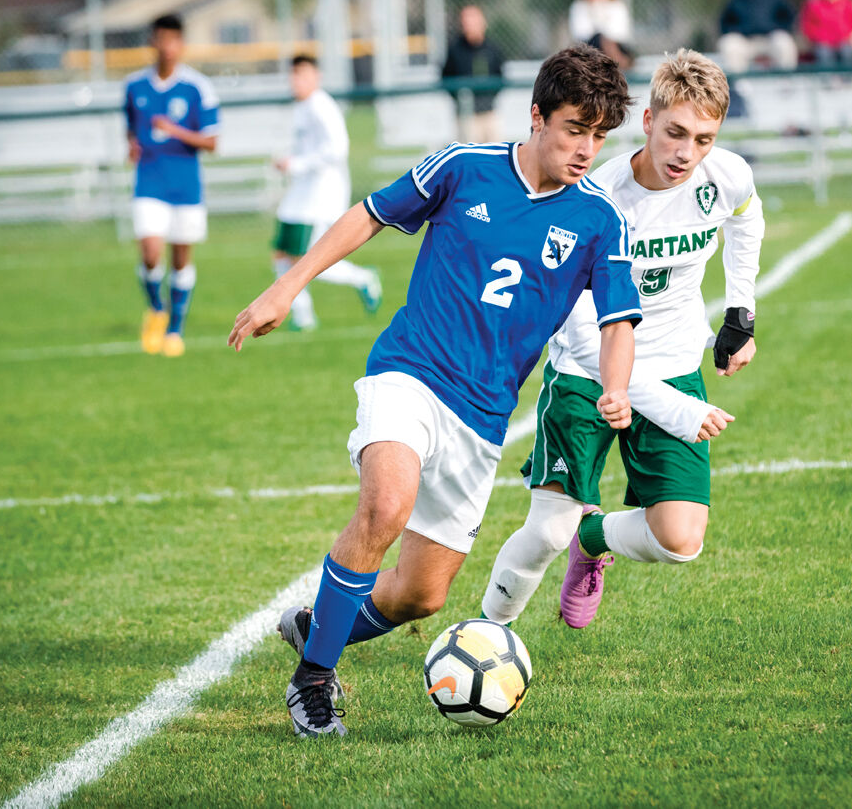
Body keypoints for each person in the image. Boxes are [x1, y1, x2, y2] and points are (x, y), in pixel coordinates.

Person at [227, 45, 639, 737]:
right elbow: (369, 213)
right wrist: (285, 286)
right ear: (536, 116)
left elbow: (619, 318)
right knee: (386, 503)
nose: (586, 149)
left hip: (482, 419)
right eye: (574, 128)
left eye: (600, 135)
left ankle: (316, 627)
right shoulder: (463, 167)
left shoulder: (599, 218)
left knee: (422, 593)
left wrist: (617, 387)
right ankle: (313, 680)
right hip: (410, 373)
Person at [481, 49, 762, 630]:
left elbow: (746, 218)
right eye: (676, 133)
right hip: (589, 371)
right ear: (649, 122)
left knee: (681, 540)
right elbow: (582, 330)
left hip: (674, 362)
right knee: (546, 530)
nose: (687, 153)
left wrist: (741, 311)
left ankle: (596, 534)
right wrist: (666, 405)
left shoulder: (726, 174)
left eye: (704, 139)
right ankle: (486, 637)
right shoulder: (596, 199)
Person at [123, 13, 219, 358]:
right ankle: (157, 310)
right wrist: (131, 146)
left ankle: (176, 328)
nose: (167, 47)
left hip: (185, 187)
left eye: (173, 40)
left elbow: (212, 143)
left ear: (181, 45)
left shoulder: (197, 87)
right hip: (149, 182)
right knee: (150, 253)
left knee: (180, 260)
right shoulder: (134, 86)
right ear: (153, 42)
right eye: (160, 39)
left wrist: (174, 130)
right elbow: (131, 129)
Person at [273, 55, 382, 331]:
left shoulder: (322, 105)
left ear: (316, 77)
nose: (297, 81)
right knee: (282, 254)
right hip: (299, 194)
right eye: (294, 74)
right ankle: (302, 315)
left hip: (319, 196)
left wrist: (297, 164)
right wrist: (290, 161)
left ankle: (363, 278)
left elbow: (337, 149)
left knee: (309, 258)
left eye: (303, 75)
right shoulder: (302, 107)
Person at [717, 0, 798, 73]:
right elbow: (724, 23)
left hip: (770, 40)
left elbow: (789, 17)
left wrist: (776, 29)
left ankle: (785, 82)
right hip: (746, 42)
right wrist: (738, 31)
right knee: (729, 44)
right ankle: (739, 86)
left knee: (784, 42)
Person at [441, 5, 506, 144]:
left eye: (473, 21)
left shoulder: (492, 48)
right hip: (466, 114)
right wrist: (460, 99)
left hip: (489, 111)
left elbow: (500, 77)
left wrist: (488, 98)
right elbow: (446, 77)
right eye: (466, 22)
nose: (469, 26)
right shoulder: (455, 50)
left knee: (495, 153)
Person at [568, 0, 634, 69]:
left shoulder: (616, 6)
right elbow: (581, 33)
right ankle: (618, 62)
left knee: (607, 41)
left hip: (616, 44)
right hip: (591, 44)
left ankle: (616, 60)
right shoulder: (579, 6)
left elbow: (621, 32)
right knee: (601, 39)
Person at [800, 0, 852, 67]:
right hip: (822, 42)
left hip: (843, 41)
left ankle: (848, 80)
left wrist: (847, 37)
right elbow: (808, 26)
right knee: (823, 53)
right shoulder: (813, 4)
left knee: (846, 52)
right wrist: (818, 39)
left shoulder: (847, 2)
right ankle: (826, 80)